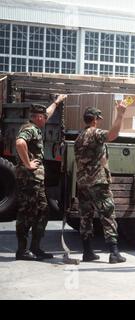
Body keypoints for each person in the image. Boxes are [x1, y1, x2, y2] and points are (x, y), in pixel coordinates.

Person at [15, 95, 67, 261]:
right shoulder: (30, 129)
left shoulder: (35, 126)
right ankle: (23, 251)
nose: (46, 119)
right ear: (38, 118)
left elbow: (48, 113)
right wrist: (28, 163)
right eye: (44, 117)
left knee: (42, 212)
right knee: (27, 213)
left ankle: (35, 248)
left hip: (34, 181)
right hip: (30, 180)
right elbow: (19, 143)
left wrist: (57, 102)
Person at [74, 103, 127, 264]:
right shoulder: (95, 133)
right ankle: (114, 253)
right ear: (95, 119)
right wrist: (120, 114)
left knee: (86, 217)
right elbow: (112, 135)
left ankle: (87, 252)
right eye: (99, 119)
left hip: (83, 184)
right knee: (108, 215)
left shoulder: (79, 137)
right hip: (97, 181)